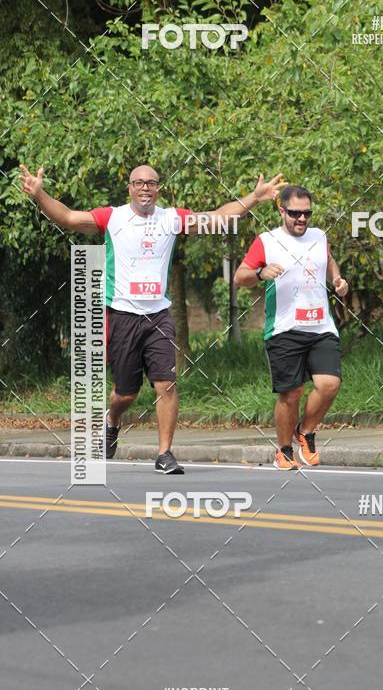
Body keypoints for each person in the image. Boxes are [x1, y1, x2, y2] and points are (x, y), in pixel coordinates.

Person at [19, 163, 286, 474]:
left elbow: (217, 218)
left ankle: (165, 454)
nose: (145, 188)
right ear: (130, 188)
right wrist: (39, 194)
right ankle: (112, 419)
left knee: (166, 385)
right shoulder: (113, 217)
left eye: (151, 183)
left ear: (159, 188)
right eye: (138, 183)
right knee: (125, 392)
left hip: (158, 314)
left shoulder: (171, 219)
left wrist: (253, 197)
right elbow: (67, 217)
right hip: (121, 314)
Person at [234, 184, 348, 469]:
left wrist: (337, 279)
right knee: (292, 393)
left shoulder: (319, 236)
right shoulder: (267, 241)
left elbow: (329, 259)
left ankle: (305, 431)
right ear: (281, 210)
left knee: (329, 384)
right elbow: (240, 276)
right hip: (284, 328)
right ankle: (284, 450)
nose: (302, 219)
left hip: (321, 325)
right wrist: (261, 273)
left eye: (307, 213)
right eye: (295, 213)